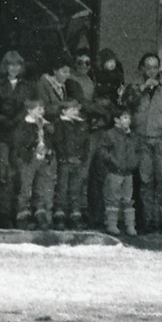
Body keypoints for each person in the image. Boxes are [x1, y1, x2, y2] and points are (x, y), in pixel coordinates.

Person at [130, 53, 162, 236]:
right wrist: (141, 89)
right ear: (142, 68)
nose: (151, 71)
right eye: (148, 67)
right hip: (142, 138)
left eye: (155, 67)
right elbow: (123, 103)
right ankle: (148, 221)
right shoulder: (134, 86)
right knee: (145, 181)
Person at [7, 91, 56, 230]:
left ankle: (39, 214)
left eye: (43, 108)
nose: (42, 111)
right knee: (25, 187)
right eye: (38, 108)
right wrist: (29, 151)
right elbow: (19, 144)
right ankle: (23, 216)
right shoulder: (24, 125)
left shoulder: (45, 125)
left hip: (42, 158)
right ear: (30, 110)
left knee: (40, 187)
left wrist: (49, 150)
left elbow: (50, 140)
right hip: (29, 159)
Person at [97, 109, 143, 235]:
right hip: (114, 172)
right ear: (116, 120)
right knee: (113, 198)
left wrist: (134, 163)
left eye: (128, 117)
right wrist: (112, 162)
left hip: (128, 173)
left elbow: (138, 151)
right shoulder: (110, 134)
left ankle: (130, 225)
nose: (127, 120)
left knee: (128, 199)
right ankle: (112, 224)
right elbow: (103, 151)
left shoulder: (133, 136)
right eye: (124, 117)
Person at [52, 93, 93, 229]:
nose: (76, 112)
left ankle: (75, 215)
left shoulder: (82, 125)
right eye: (72, 109)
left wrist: (83, 157)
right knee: (62, 188)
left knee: (76, 189)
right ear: (64, 111)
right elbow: (58, 142)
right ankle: (60, 215)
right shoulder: (60, 124)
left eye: (77, 109)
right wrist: (65, 157)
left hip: (78, 161)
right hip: (65, 161)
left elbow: (86, 143)